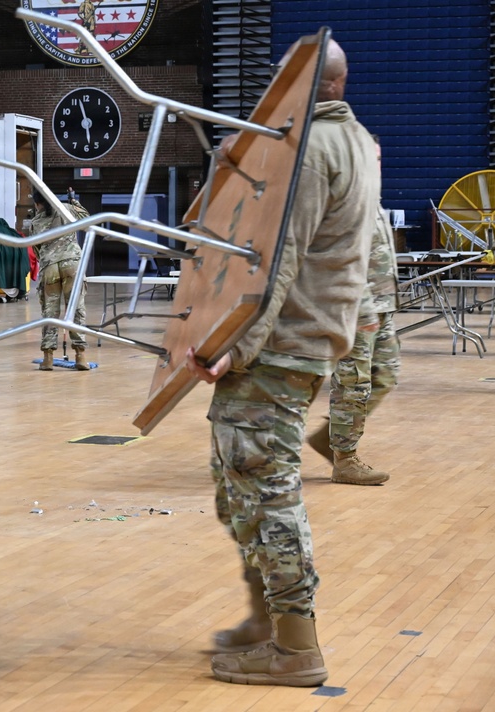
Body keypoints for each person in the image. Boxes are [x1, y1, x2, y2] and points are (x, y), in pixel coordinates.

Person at [184, 38, 379, 686]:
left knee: (265, 491)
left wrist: (237, 343)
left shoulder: (310, 153)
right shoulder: (361, 142)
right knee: (237, 484)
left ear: (303, 85)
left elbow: (279, 259)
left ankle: (295, 645)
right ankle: (268, 621)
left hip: (278, 345)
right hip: (306, 340)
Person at [307, 138, 400, 485]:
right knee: (354, 382)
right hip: (354, 307)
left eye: (378, 157)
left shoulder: (369, 197)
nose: (376, 163)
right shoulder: (337, 199)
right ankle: (345, 458)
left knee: (386, 374)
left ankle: (330, 439)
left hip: (382, 302)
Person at [27, 188, 91, 371]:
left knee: (50, 312)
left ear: (37, 203)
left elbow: (37, 249)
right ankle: (80, 356)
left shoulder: (35, 221)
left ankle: (47, 358)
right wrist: (74, 202)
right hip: (72, 265)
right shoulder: (66, 209)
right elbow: (87, 220)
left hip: (49, 268)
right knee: (76, 309)